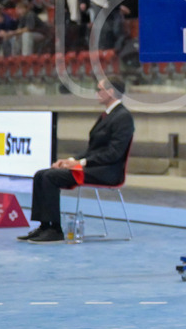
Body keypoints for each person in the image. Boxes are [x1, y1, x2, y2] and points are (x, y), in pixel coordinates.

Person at [19, 77, 134, 243]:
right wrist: (70, 161)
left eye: (99, 89)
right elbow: (92, 150)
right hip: (93, 166)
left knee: (50, 177)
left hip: (107, 171)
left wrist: (81, 163)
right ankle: (44, 226)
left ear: (110, 92)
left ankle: (55, 229)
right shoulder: (107, 116)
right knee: (40, 175)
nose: (96, 93)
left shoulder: (123, 117)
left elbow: (113, 153)